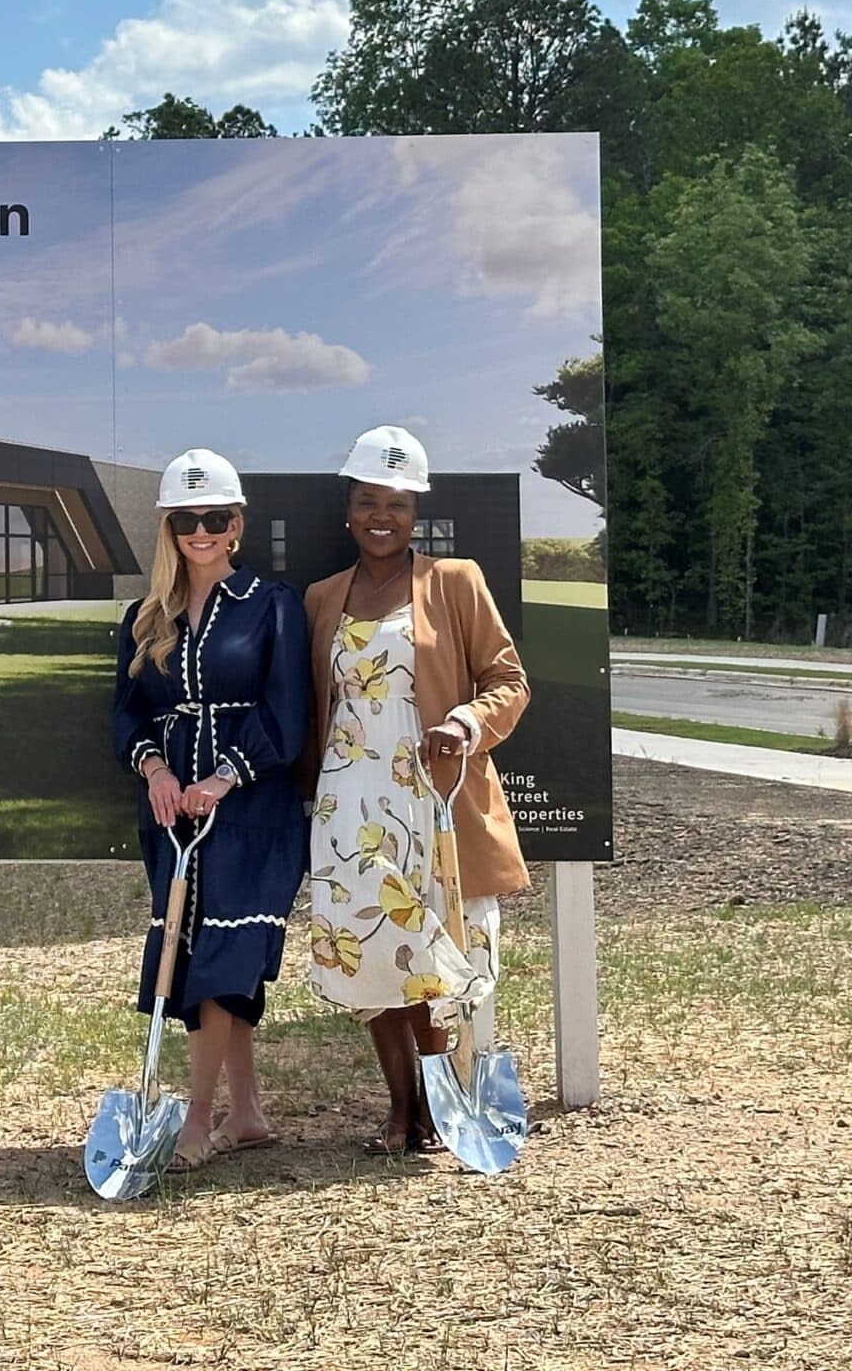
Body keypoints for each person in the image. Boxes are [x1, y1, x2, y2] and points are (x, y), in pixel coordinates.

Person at [301, 425, 530, 1157]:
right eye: (368, 501)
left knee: (432, 957)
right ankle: (400, 1110)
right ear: (348, 510)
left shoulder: (455, 583)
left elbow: (509, 682)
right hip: (346, 805)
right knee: (368, 955)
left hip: (429, 803)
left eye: (396, 504)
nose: (381, 516)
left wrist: (466, 721)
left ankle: (437, 1107)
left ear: (415, 512)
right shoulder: (319, 598)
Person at [111, 448, 311, 1167]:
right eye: (186, 519)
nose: (201, 531)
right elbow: (124, 717)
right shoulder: (145, 616)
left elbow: (288, 712)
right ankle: (248, 1113)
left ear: (236, 525)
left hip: (252, 809)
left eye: (215, 518)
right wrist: (157, 770)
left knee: (224, 958)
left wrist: (224, 777)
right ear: (169, 527)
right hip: (172, 816)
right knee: (192, 953)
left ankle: (196, 1120)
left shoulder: (270, 603)